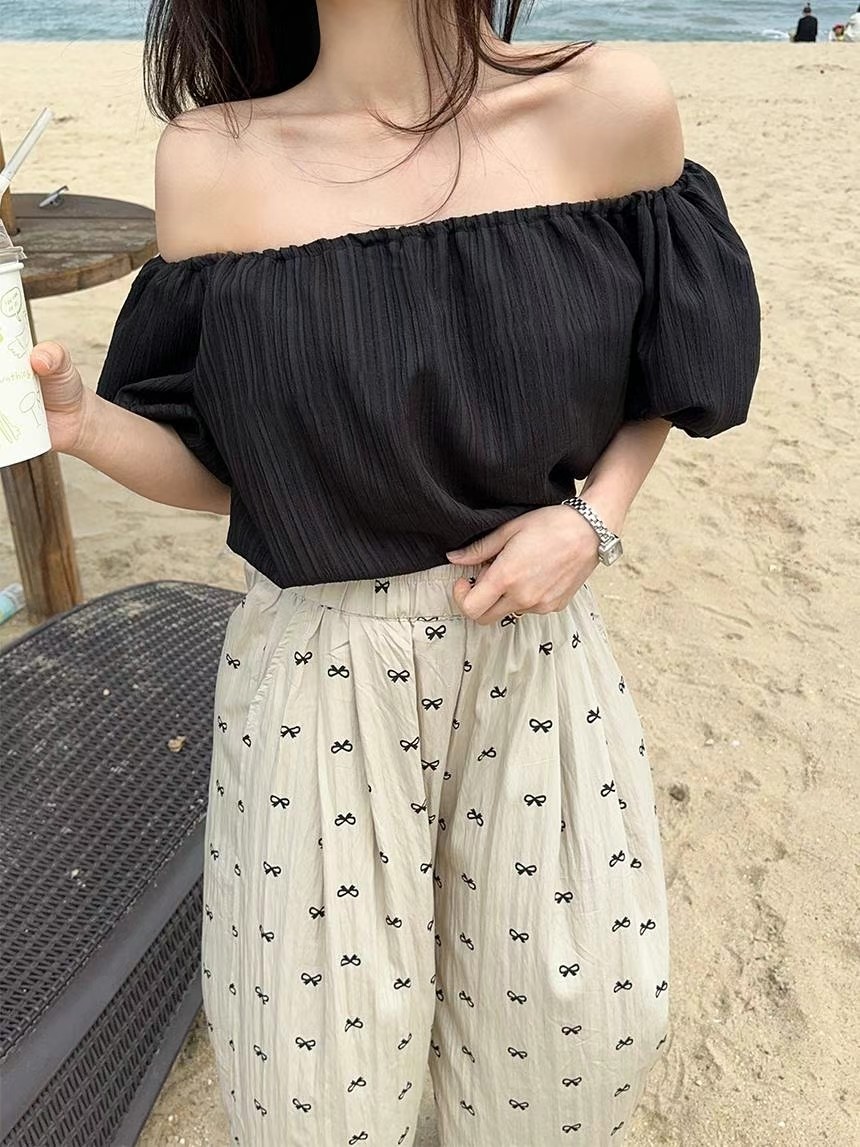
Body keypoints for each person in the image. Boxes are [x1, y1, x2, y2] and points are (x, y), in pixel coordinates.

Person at [28, 1, 760, 1144]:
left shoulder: (608, 104)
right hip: (313, 668)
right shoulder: (213, 157)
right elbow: (241, 473)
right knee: (314, 1082)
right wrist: (83, 425)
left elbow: (673, 361)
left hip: (533, 653)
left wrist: (593, 517)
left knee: (572, 1037)